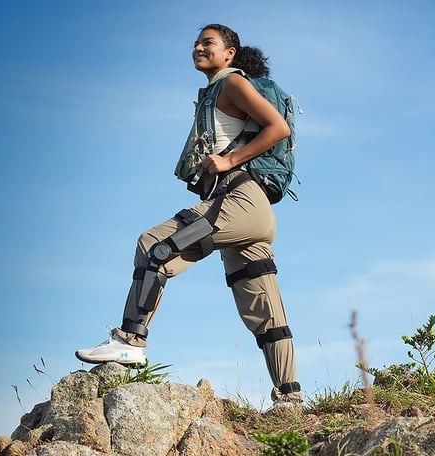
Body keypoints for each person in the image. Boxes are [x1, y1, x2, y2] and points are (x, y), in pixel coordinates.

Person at [75, 23, 302, 406]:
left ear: (229, 53)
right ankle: (290, 399)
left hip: (240, 200)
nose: (198, 47)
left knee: (155, 246)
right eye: (196, 42)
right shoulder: (212, 94)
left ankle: (130, 339)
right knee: (263, 307)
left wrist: (229, 159)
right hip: (248, 212)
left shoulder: (232, 84)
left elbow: (277, 127)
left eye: (207, 42)